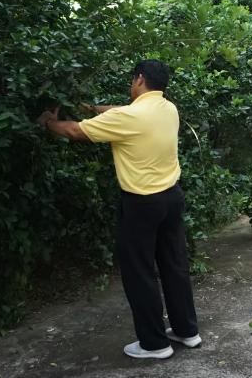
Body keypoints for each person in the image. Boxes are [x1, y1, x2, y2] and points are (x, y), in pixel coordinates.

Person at [35, 59, 200, 360]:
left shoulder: (130, 117)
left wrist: (48, 122)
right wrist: (92, 109)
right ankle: (187, 331)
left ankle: (154, 344)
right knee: (174, 264)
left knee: (140, 272)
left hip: (141, 204)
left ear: (139, 79)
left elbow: (74, 132)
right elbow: (120, 113)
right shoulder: (168, 109)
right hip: (172, 199)